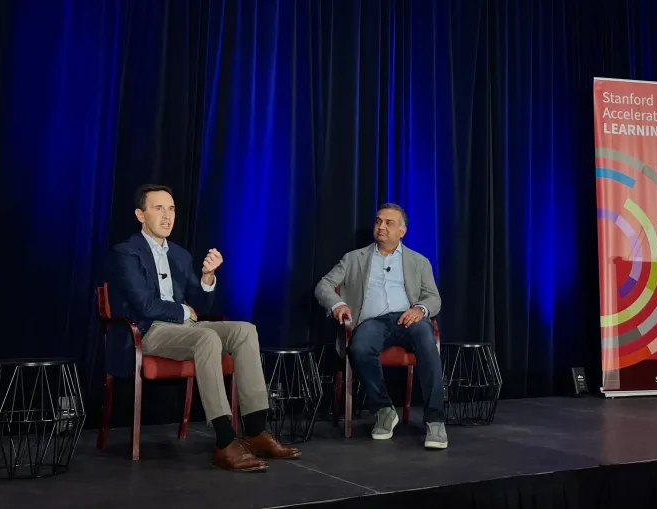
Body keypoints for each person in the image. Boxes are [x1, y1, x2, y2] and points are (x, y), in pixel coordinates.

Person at [107, 184, 300, 472]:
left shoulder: (180, 255)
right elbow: (144, 306)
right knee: (206, 337)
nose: (167, 216)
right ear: (140, 214)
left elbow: (200, 301)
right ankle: (224, 440)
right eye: (158, 208)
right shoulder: (126, 252)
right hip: (148, 331)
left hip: (185, 328)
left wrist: (207, 277)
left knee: (245, 330)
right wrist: (185, 310)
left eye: (171, 209)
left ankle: (256, 431)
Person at [314, 203, 447, 449]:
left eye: (389, 223)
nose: (381, 227)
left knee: (428, 342)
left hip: (408, 320)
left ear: (402, 231)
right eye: (378, 221)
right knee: (360, 347)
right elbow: (324, 285)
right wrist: (338, 304)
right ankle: (384, 409)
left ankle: (435, 420)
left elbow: (434, 298)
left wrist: (420, 309)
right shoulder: (354, 259)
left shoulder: (419, 262)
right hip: (371, 321)